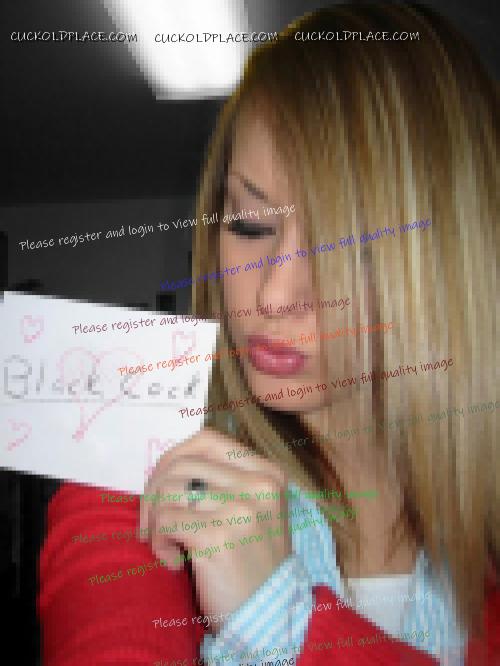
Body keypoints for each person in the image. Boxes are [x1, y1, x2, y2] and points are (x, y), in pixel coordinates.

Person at [38, 4, 498, 664]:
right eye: (250, 226)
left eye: (351, 248)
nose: (273, 296)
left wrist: (282, 625)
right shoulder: (132, 471)